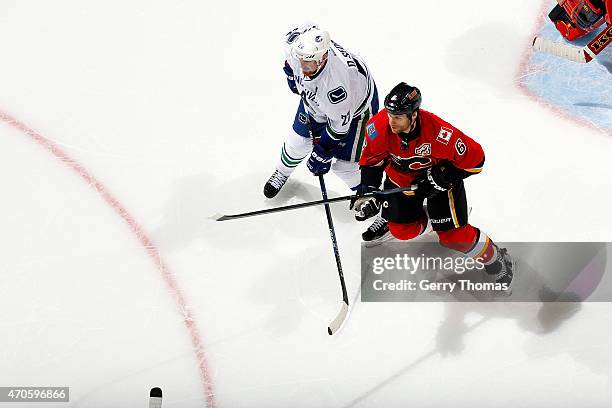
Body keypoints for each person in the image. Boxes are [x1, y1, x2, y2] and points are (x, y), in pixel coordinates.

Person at [351, 83, 515, 293]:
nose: (391, 121)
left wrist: (443, 177)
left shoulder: (439, 133)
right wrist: (369, 191)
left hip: (438, 185)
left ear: (414, 115)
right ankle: (414, 217)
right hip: (401, 180)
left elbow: (476, 160)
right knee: (401, 231)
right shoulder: (378, 127)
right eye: (390, 114)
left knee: (454, 237)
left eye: (398, 116)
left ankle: (497, 259)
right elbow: (371, 161)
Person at [263, 22, 386, 242]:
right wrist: (291, 74)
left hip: (356, 111)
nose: (303, 66)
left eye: (308, 63)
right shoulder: (298, 48)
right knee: (298, 142)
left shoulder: (336, 88)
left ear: (323, 58)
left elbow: (340, 126)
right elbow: (290, 61)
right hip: (318, 103)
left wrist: (323, 151)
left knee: (346, 167)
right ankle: (282, 172)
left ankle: (375, 198)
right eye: (301, 60)